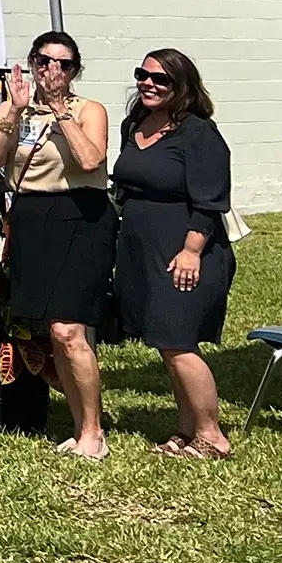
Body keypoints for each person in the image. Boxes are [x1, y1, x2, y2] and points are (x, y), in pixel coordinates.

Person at [0, 30, 115, 459]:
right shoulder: (15, 107)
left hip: (80, 216)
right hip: (32, 219)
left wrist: (60, 111)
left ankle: (94, 432)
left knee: (69, 328)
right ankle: (79, 426)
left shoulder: (88, 109)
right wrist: (15, 111)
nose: (51, 70)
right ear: (32, 62)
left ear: (75, 70)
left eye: (63, 63)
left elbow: (91, 159)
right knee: (52, 332)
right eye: (43, 60)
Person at [113, 47, 235, 459]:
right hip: (143, 250)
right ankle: (187, 432)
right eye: (143, 75)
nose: (149, 84)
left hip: (186, 251)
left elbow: (211, 199)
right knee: (166, 344)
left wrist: (191, 250)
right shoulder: (136, 124)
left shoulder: (198, 133)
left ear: (182, 86)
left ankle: (212, 436)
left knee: (179, 342)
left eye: (161, 79)